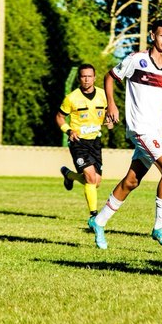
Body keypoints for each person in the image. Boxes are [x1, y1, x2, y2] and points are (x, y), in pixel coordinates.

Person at [90, 19, 162, 249]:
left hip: (156, 130)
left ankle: (99, 221)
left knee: (132, 181)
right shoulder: (137, 59)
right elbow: (109, 77)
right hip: (139, 128)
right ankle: (159, 227)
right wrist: (111, 105)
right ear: (153, 36)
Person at [57, 63, 111, 229]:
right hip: (78, 142)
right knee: (90, 178)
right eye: (83, 76)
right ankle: (94, 217)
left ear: (94, 77)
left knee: (96, 182)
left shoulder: (103, 95)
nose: (86, 79)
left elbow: (109, 113)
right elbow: (59, 117)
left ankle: (69, 175)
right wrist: (68, 130)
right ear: (79, 78)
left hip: (95, 142)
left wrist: (110, 120)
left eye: (89, 76)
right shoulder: (72, 98)